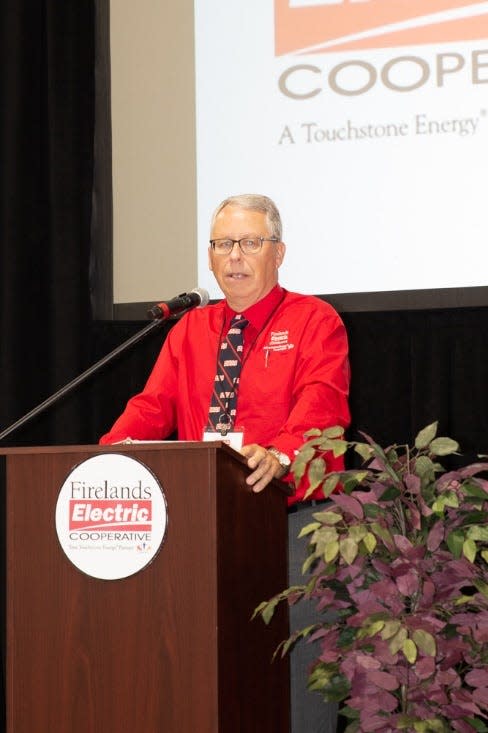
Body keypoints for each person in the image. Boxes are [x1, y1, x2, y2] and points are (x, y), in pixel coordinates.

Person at [100, 193, 350, 732]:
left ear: (277, 253)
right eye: (221, 244)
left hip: (293, 522)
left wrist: (281, 453)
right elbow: (152, 407)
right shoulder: (190, 329)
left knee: (299, 677)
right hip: (205, 524)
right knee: (207, 672)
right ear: (210, 257)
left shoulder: (313, 320)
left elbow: (321, 404)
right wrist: (108, 454)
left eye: (249, 243)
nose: (234, 256)